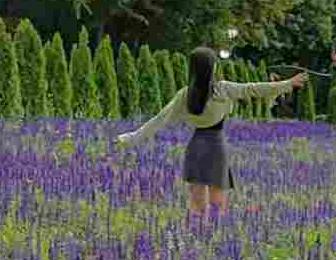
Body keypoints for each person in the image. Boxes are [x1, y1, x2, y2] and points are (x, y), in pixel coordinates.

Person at [113, 47, 308, 216]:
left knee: (197, 209)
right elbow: (255, 89)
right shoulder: (222, 90)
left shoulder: (185, 95)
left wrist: (129, 138)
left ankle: (196, 246)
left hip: (196, 148)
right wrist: (288, 84)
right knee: (218, 207)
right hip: (216, 147)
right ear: (212, 67)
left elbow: (158, 121)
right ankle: (214, 245)